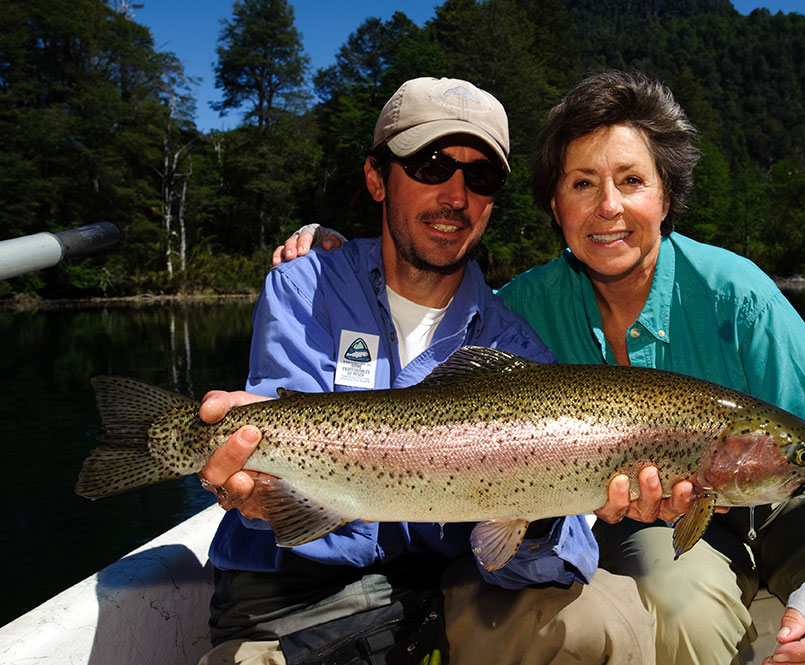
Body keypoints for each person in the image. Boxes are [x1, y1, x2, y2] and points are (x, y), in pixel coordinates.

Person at [281, 71, 805, 665]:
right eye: (583, 183)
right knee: (677, 608)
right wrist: (345, 256)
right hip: (655, 519)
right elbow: (427, 335)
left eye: (631, 180)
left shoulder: (739, 295)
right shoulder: (519, 309)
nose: (608, 207)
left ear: (665, 197)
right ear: (555, 206)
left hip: (797, 502)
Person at [195, 76, 659, 665]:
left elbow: (537, 559)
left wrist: (541, 507)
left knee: (610, 622)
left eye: (481, 177)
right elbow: (277, 453)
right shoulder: (305, 284)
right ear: (376, 178)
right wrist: (252, 482)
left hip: (437, 591)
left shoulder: (510, 345)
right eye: (431, 165)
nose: (456, 196)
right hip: (290, 597)